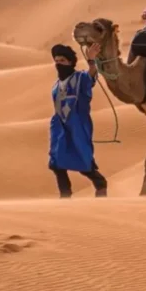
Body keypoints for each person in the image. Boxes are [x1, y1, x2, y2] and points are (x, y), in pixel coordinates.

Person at [49, 43, 108, 198]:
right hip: (60, 129)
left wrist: (91, 60)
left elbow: (91, 75)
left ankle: (101, 185)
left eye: (62, 60)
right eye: (56, 60)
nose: (58, 64)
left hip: (77, 127)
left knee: (83, 162)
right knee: (56, 164)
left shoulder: (79, 78)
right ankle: (65, 196)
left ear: (70, 62)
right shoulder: (56, 86)